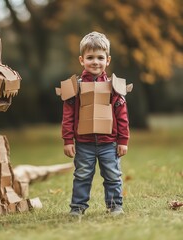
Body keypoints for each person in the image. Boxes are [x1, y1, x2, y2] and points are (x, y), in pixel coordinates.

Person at [61, 31, 130, 216]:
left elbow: (122, 116)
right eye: (90, 57)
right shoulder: (75, 87)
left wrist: (123, 140)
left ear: (107, 60)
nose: (95, 62)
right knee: (82, 176)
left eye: (100, 57)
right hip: (84, 144)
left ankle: (115, 206)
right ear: (82, 60)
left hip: (109, 143)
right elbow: (67, 116)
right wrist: (68, 140)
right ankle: (78, 208)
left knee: (113, 176)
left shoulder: (113, 87)